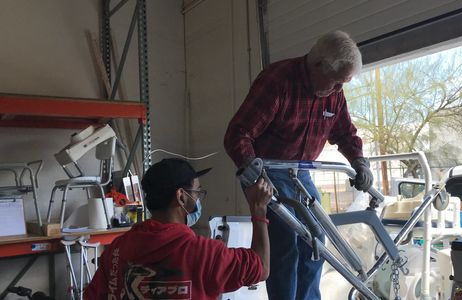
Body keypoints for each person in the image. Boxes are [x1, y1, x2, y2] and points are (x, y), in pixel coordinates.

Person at [223, 31, 373, 300]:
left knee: (316, 241)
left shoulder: (334, 94)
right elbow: (238, 133)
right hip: (269, 170)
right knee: (286, 243)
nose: (339, 89)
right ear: (318, 65)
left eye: (343, 84)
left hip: (301, 173)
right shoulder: (278, 81)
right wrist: (252, 170)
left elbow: (345, 132)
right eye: (337, 81)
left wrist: (359, 161)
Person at [84, 158, 272, 300]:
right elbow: (261, 268)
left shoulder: (118, 249)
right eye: (197, 193)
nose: (198, 199)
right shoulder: (203, 254)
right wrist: (259, 211)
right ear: (181, 197)